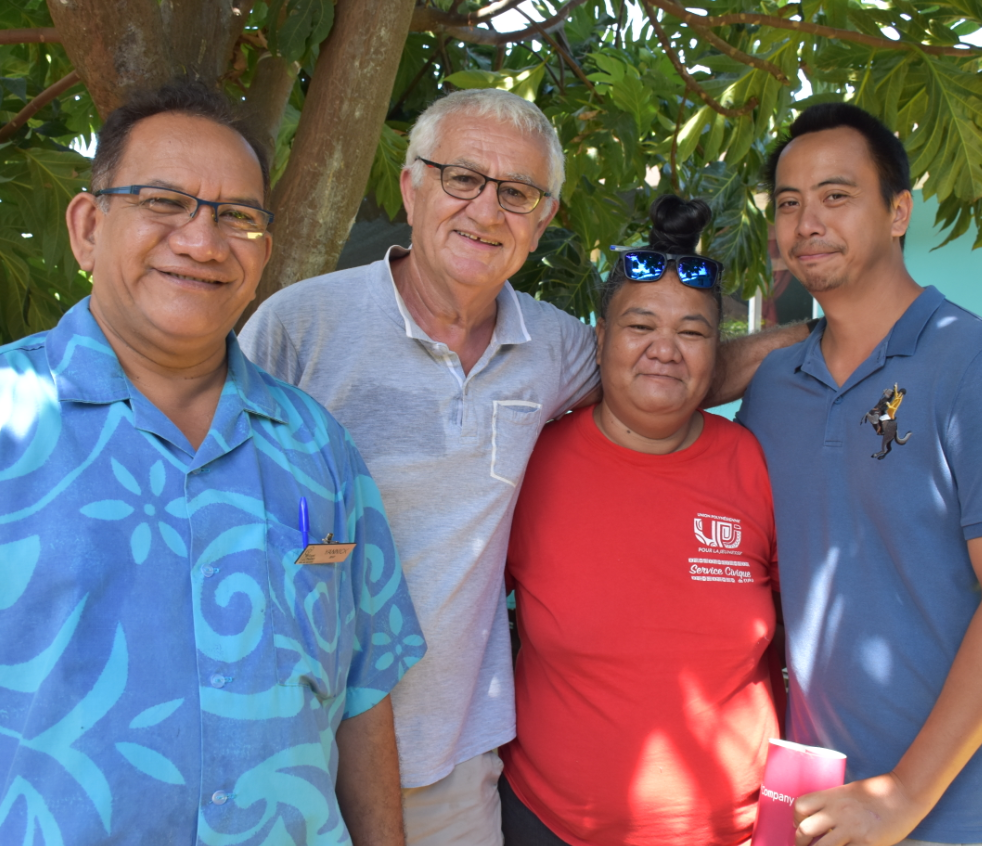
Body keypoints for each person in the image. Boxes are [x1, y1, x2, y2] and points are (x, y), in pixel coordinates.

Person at [0, 79, 423, 846]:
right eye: (163, 202)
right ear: (87, 226)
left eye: (235, 217)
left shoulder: (318, 448)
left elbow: (361, 706)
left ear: (262, 254)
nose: (202, 242)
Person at [240, 88, 804, 846]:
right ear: (410, 187)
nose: (484, 210)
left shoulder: (554, 348)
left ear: (539, 224)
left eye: (516, 194)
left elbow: (659, 373)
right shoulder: (299, 325)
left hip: (453, 764)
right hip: (293, 744)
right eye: (461, 178)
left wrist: (842, 329)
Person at [737, 102, 982, 846]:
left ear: (897, 213)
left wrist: (901, 796)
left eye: (835, 195)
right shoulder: (773, 388)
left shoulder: (979, 366)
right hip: (816, 798)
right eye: (788, 203)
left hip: (957, 811)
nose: (806, 223)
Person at [500, 195, 781, 846]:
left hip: (734, 830)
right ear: (599, 341)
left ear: (716, 352)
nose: (665, 350)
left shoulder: (753, 464)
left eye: (691, 332)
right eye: (639, 326)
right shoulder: (529, 462)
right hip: (548, 824)